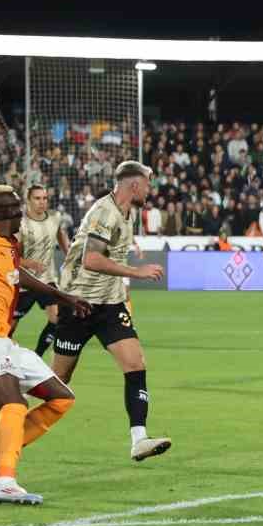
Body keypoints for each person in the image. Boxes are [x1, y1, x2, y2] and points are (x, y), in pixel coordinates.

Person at [0, 185, 90, 505]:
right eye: (14, 209)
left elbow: (14, 274)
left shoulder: (7, 242)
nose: (20, 213)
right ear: (1, 214)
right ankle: (3, 480)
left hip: (2, 340)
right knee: (13, 403)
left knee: (61, 399)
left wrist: (62, 295)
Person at [51, 161, 173, 462]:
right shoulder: (104, 212)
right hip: (78, 303)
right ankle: (0, 447)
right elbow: (91, 259)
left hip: (110, 305)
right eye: (148, 183)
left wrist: (123, 286)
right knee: (57, 382)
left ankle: (139, 439)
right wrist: (136, 272)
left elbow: (108, 256)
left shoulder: (127, 213)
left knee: (136, 364)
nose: (150, 189)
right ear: (134, 185)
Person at [14, 184, 72, 357]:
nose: (42, 202)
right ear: (28, 201)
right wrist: (29, 263)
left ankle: (37, 356)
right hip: (24, 280)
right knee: (9, 326)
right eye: (37, 198)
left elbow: (61, 238)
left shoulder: (55, 218)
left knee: (56, 318)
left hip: (47, 279)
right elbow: (11, 257)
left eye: (44, 198)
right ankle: (0, 355)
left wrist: (71, 257)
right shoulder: (20, 224)